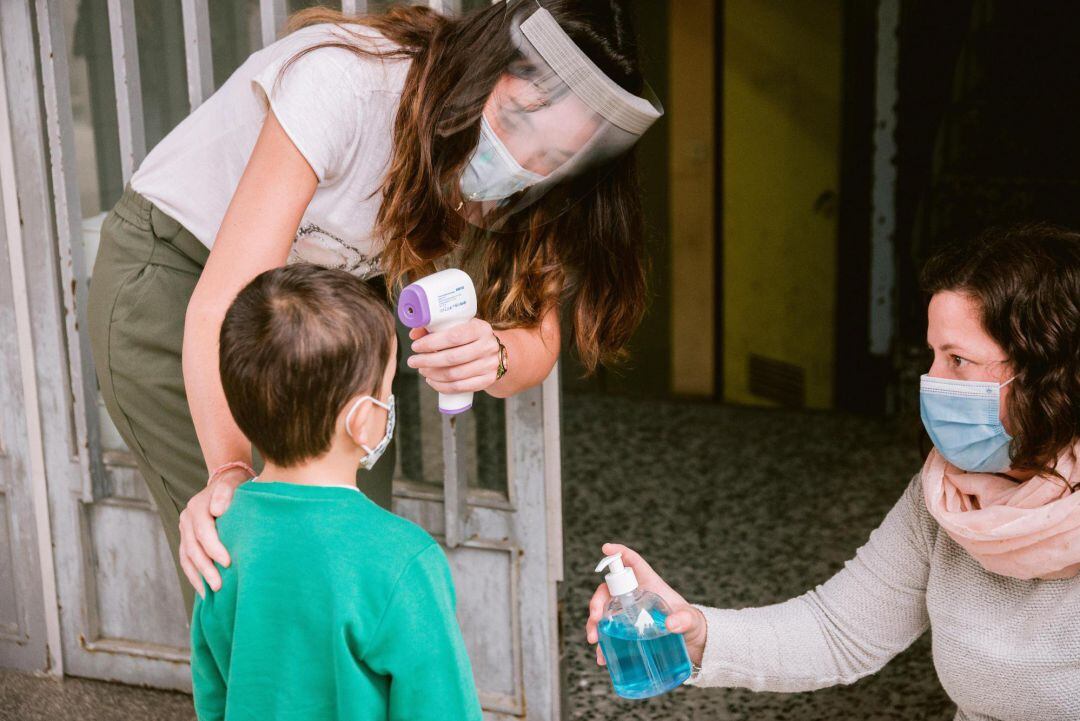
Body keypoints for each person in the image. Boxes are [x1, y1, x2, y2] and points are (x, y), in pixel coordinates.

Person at [86, 0, 662, 613]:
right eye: (517, 118)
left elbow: (536, 346)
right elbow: (222, 302)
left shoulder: (536, 183)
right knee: (246, 565)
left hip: (324, 299)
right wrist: (229, 474)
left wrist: (492, 355)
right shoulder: (346, 84)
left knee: (348, 548)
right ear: (483, 65)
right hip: (184, 280)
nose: (522, 161)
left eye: (551, 157)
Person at [586, 225, 1080, 721]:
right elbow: (839, 631)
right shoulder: (944, 494)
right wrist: (693, 633)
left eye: (957, 359)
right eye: (932, 355)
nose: (931, 381)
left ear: (1047, 373)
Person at [190, 263, 481, 721]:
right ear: (362, 419)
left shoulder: (218, 539)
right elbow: (441, 708)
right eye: (387, 388)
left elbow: (213, 690)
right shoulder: (404, 559)